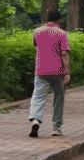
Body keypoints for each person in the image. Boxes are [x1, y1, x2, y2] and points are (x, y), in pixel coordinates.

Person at [28, 10, 69, 138]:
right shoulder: (62, 33)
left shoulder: (37, 31)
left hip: (41, 70)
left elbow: (36, 45)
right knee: (59, 97)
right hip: (58, 72)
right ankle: (56, 128)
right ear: (58, 20)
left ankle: (35, 119)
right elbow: (64, 54)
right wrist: (67, 72)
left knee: (38, 96)